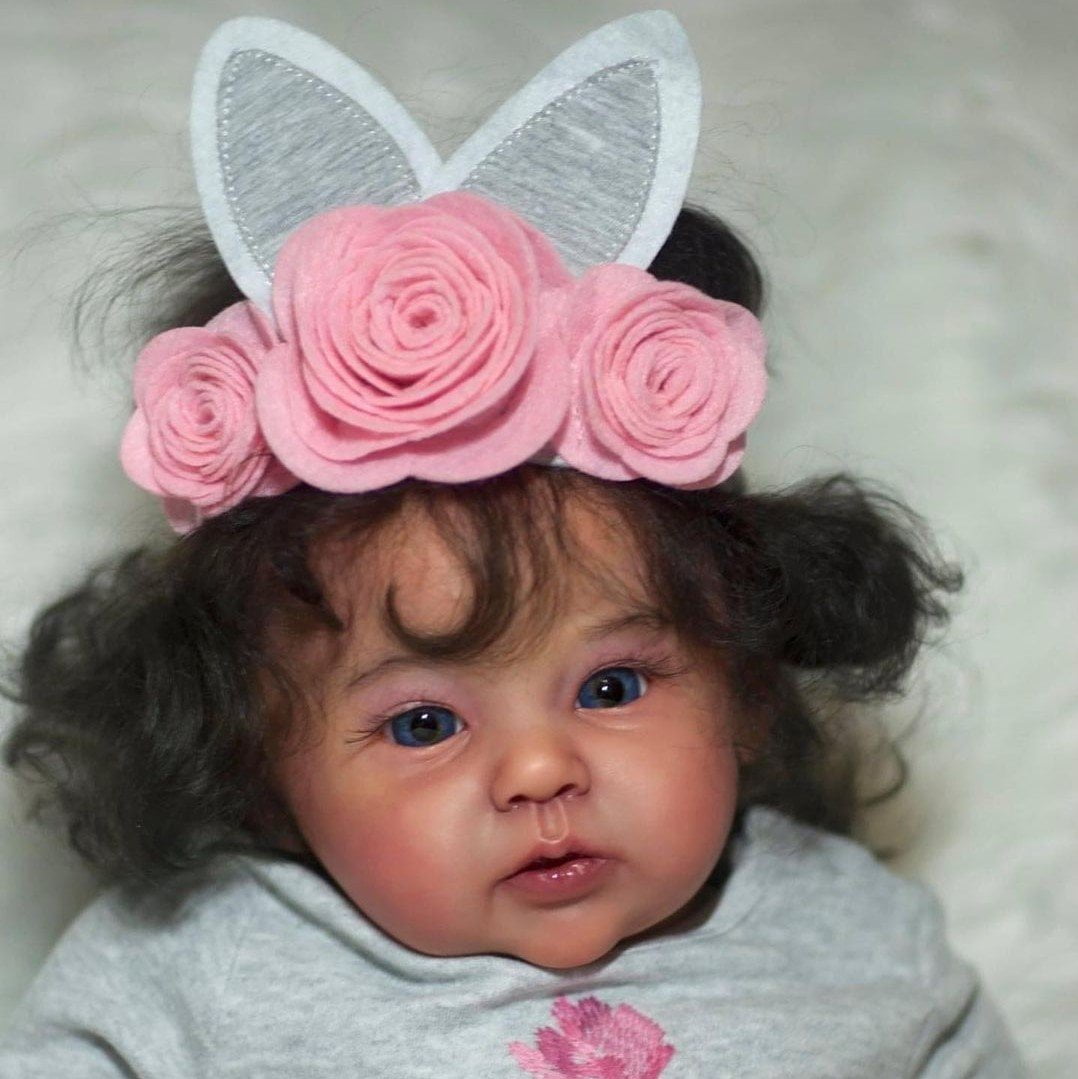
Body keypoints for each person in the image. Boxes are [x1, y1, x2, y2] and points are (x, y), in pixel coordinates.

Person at [0, 12, 1025, 1077]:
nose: (540, 770)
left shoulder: (856, 938)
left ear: (748, 688)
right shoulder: (184, 970)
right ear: (256, 768)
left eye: (613, 686)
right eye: (424, 722)